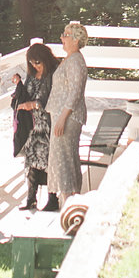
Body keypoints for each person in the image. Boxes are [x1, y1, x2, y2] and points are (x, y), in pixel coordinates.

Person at [45, 21, 88, 211]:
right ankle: (68, 205)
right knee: (62, 158)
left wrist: (62, 117)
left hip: (68, 118)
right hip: (61, 115)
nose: (62, 38)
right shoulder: (70, 59)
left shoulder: (76, 61)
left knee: (65, 159)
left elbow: (75, 92)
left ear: (76, 40)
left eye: (66, 35)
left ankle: (70, 206)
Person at [11, 41, 59, 211]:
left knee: (48, 160)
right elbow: (25, 94)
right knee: (31, 159)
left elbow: (53, 98)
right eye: (31, 63)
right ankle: (31, 198)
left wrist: (34, 105)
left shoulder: (54, 74)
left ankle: (53, 198)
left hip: (47, 124)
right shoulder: (31, 75)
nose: (34, 66)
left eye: (37, 62)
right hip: (32, 124)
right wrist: (18, 85)